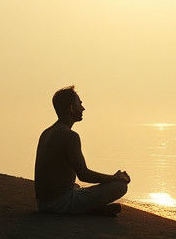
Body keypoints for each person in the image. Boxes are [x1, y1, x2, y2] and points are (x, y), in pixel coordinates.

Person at [34, 86, 130, 215]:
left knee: (76, 187)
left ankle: (91, 209)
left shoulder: (46, 132)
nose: (83, 108)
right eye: (79, 103)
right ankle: (90, 210)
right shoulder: (70, 136)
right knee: (120, 186)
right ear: (71, 108)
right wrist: (114, 178)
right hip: (59, 204)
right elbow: (84, 175)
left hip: (43, 203)